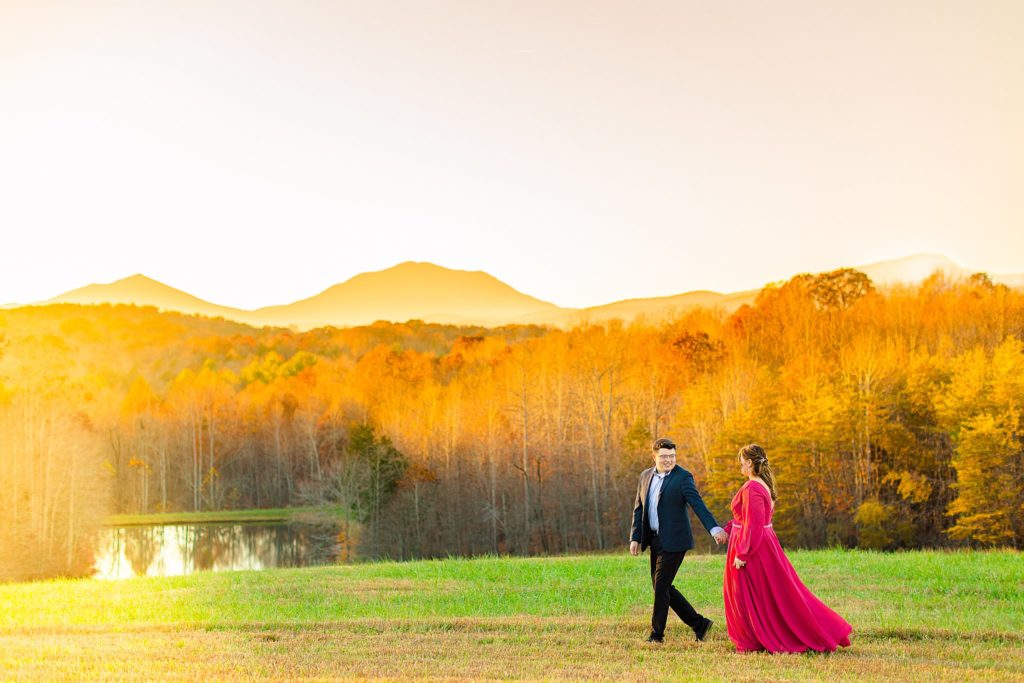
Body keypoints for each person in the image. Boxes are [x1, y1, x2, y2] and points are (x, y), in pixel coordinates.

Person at [723, 444, 853, 653]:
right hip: (762, 543)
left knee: (752, 595)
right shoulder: (762, 484)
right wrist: (728, 529)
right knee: (777, 593)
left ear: (749, 463)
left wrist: (742, 553)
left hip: (754, 548)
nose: (740, 465)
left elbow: (754, 524)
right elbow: (748, 517)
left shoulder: (752, 487)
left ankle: (756, 638)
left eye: (741, 461)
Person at [630, 437, 728, 644]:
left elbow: (698, 504)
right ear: (654, 456)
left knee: (661, 587)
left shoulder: (683, 477)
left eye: (672, 456)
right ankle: (699, 624)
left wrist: (714, 528)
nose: (668, 460)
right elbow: (639, 509)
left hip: (675, 541)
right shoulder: (645, 476)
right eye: (664, 456)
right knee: (661, 587)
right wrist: (635, 538)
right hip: (654, 539)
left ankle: (657, 634)